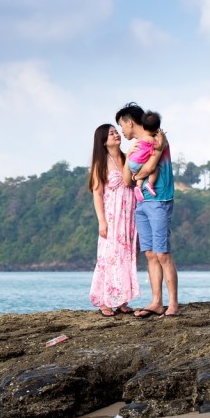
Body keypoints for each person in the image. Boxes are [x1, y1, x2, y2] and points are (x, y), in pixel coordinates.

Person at [115, 102, 180, 318]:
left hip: (159, 199)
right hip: (141, 202)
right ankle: (156, 302)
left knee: (162, 253)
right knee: (151, 253)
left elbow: (151, 167)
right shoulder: (136, 147)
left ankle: (173, 304)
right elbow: (127, 180)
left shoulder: (157, 138)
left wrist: (136, 174)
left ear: (130, 122)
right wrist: (128, 164)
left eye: (122, 126)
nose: (122, 131)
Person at [88, 123, 139, 316]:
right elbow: (97, 193)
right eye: (111, 134)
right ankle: (104, 300)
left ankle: (122, 300)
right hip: (112, 215)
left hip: (129, 214)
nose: (116, 135)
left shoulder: (126, 157)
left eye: (116, 132)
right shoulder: (100, 163)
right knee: (109, 256)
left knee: (127, 255)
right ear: (103, 141)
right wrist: (102, 221)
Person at [126, 111, 162, 202]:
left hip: (131, 162)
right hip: (139, 162)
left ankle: (138, 187)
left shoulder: (140, 138)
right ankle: (150, 184)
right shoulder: (151, 139)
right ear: (156, 128)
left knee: (140, 173)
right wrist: (161, 136)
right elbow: (159, 147)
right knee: (155, 169)